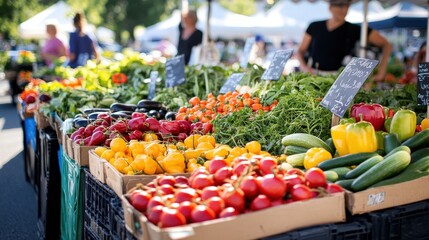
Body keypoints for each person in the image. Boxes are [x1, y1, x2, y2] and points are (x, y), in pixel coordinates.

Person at [297, 0, 391, 81]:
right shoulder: (314, 26)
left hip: (341, 79)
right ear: (330, 7)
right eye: (340, 6)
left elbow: (386, 44)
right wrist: (304, 67)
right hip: (314, 77)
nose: (344, 9)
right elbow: (300, 50)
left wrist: (382, 70)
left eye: (347, 6)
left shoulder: (354, 29)